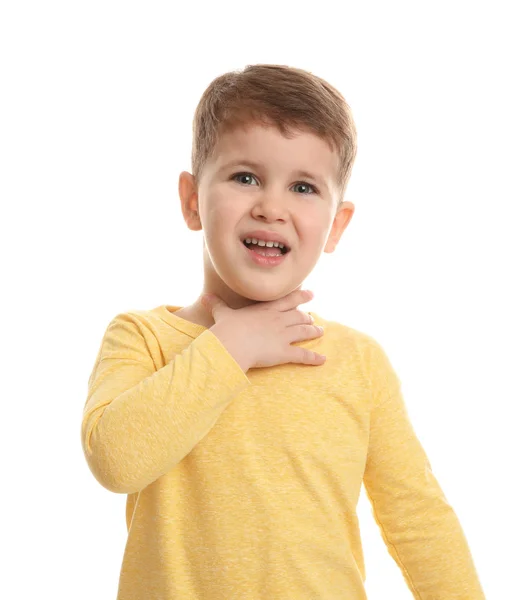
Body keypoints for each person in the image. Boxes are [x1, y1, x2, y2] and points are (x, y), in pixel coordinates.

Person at [81, 63, 486, 599]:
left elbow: (419, 520)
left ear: (336, 225)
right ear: (192, 200)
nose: (272, 208)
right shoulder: (143, 338)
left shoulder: (359, 362)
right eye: (245, 177)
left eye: (302, 187)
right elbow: (115, 460)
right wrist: (232, 347)